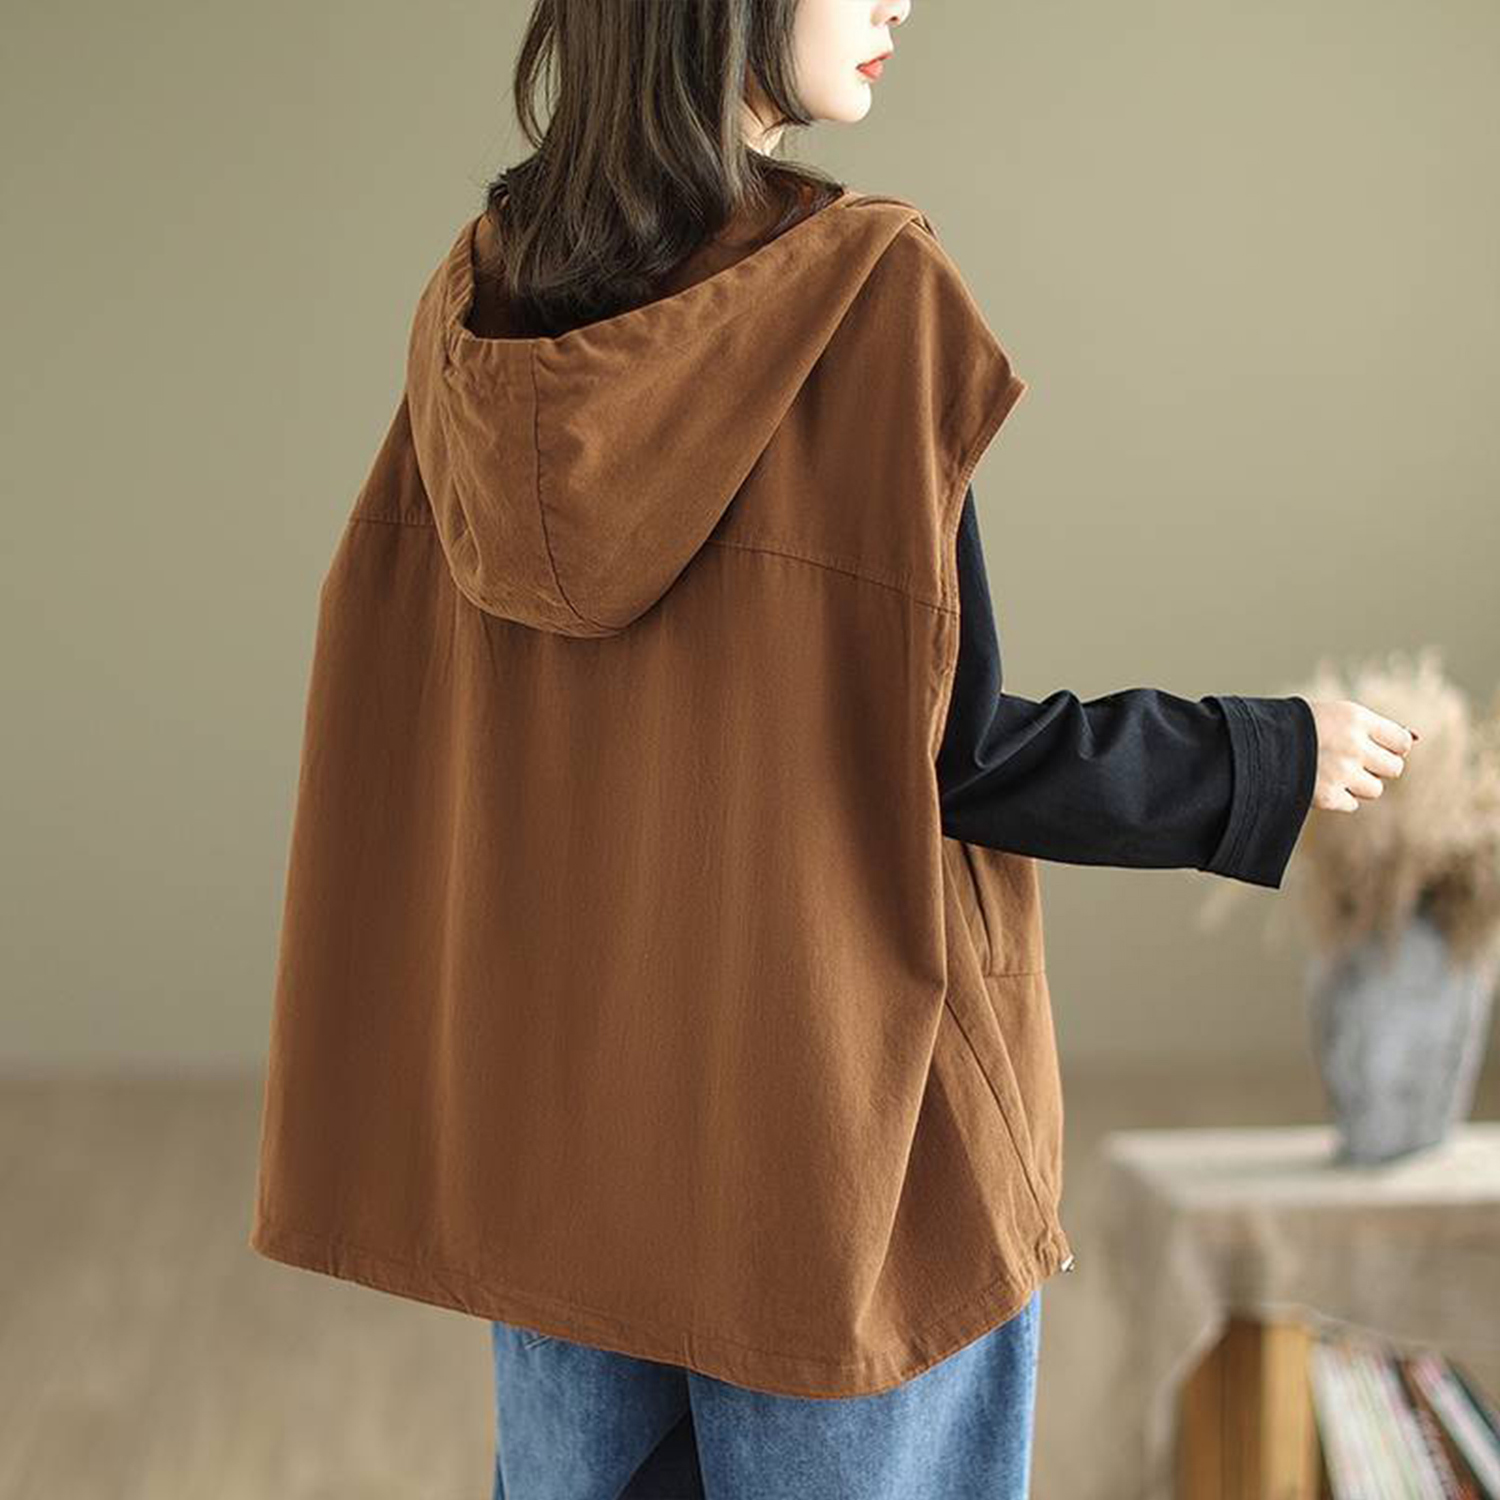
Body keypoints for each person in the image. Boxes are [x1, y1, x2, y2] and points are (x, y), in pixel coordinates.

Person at [248, 2, 1419, 1496]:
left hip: (568, 1153)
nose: (897, 1)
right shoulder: (865, 299)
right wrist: (1263, 759)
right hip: (833, 1145)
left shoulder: (476, 310)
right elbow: (961, 756)